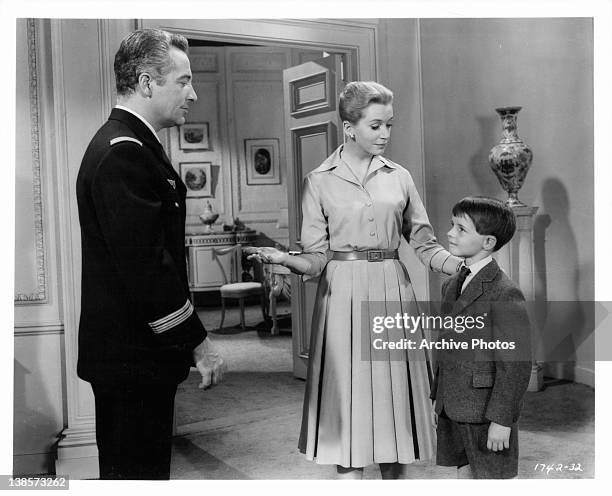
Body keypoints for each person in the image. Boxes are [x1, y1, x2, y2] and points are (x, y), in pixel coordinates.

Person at [248, 81, 462, 479]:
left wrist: (463, 266)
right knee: (348, 401)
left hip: (392, 291)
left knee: (393, 401)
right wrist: (286, 260)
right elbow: (315, 258)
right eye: (376, 125)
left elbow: (426, 244)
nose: (385, 134)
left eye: (390, 125)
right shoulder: (319, 179)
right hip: (342, 295)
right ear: (350, 127)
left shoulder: (400, 177)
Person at [76, 28, 224, 480]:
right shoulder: (124, 153)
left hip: (133, 356)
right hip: (134, 358)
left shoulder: (131, 145)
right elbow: (148, 271)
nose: (193, 93)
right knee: (137, 475)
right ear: (145, 83)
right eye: (183, 81)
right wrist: (199, 342)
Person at [430, 196, 532, 479]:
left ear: (488, 242)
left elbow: (516, 364)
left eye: (461, 229)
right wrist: (436, 396)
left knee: (490, 477)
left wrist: (502, 420)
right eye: (452, 225)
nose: (450, 233)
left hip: (485, 410)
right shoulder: (451, 284)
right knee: (465, 474)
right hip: (453, 404)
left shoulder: (504, 292)